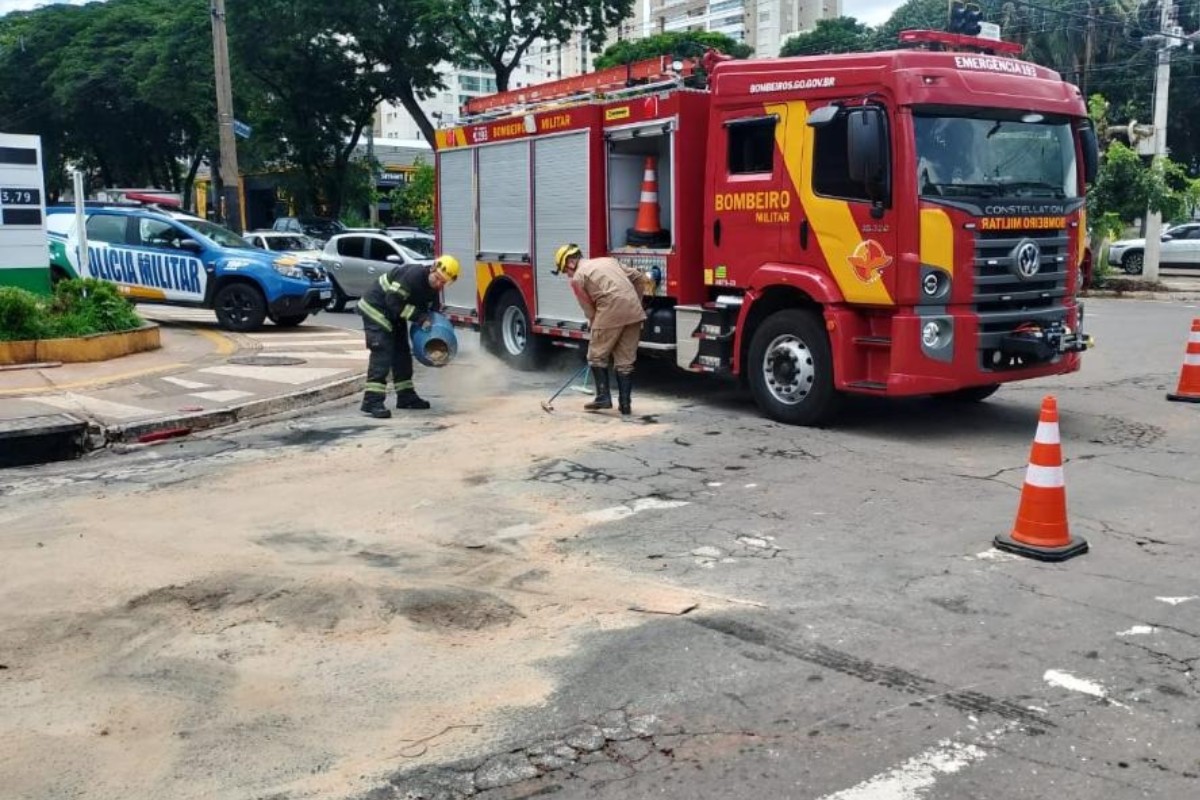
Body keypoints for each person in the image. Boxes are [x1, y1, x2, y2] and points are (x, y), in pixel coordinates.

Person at [553, 244, 654, 416]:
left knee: (596, 356)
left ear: (570, 262)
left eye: (564, 270)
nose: (567, 275)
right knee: (625, 361)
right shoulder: (609, 261)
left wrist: (595, 326)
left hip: (609, 311)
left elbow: (589, 309)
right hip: (634, 312)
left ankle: (603, 398)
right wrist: (637, 301)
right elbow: (639, 277)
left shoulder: (578, 277)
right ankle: (625, 405)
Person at [356, 254, 460, 417]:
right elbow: (393, 301)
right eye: (438, 278)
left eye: (443, 282)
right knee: (382, 353)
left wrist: (440, 330)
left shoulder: (432, 290)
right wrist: (419, 318)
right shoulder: (413, 276)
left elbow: (431, 312)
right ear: (432, 268)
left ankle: (406, 397)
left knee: (402, 354)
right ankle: (372, 401)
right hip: (376, 309)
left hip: (394, 315)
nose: (439, 284)